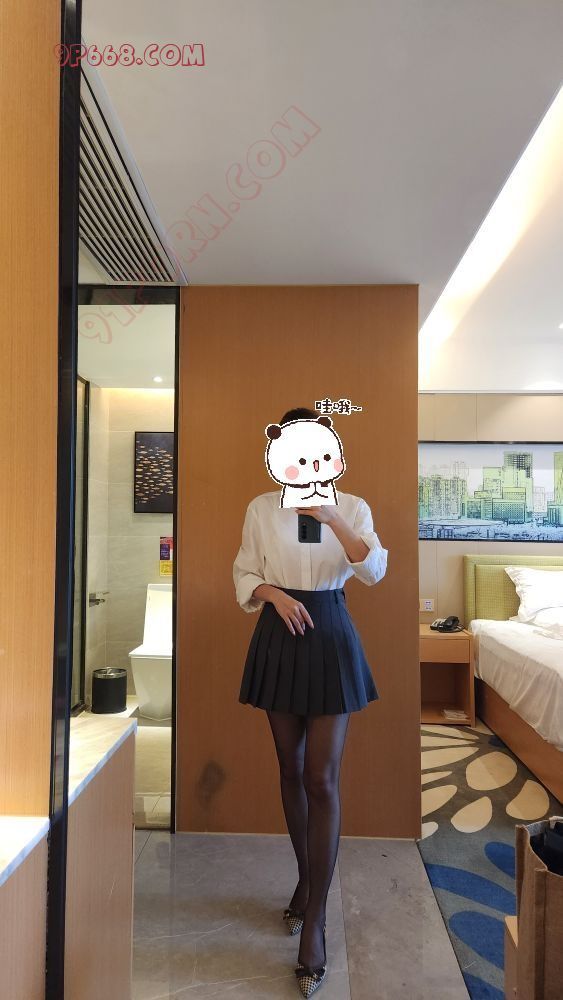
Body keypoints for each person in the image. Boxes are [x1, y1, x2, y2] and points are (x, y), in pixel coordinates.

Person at [233, 407, 388, 997]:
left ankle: (316, 919)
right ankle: (305, 881)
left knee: (321, 777)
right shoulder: (260, 507)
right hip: (280, 634)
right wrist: (273, 595)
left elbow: (373, 569)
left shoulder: (353, 506)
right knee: (290, 768)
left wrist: (331, 515)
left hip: (331, 635)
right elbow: (244, 572)